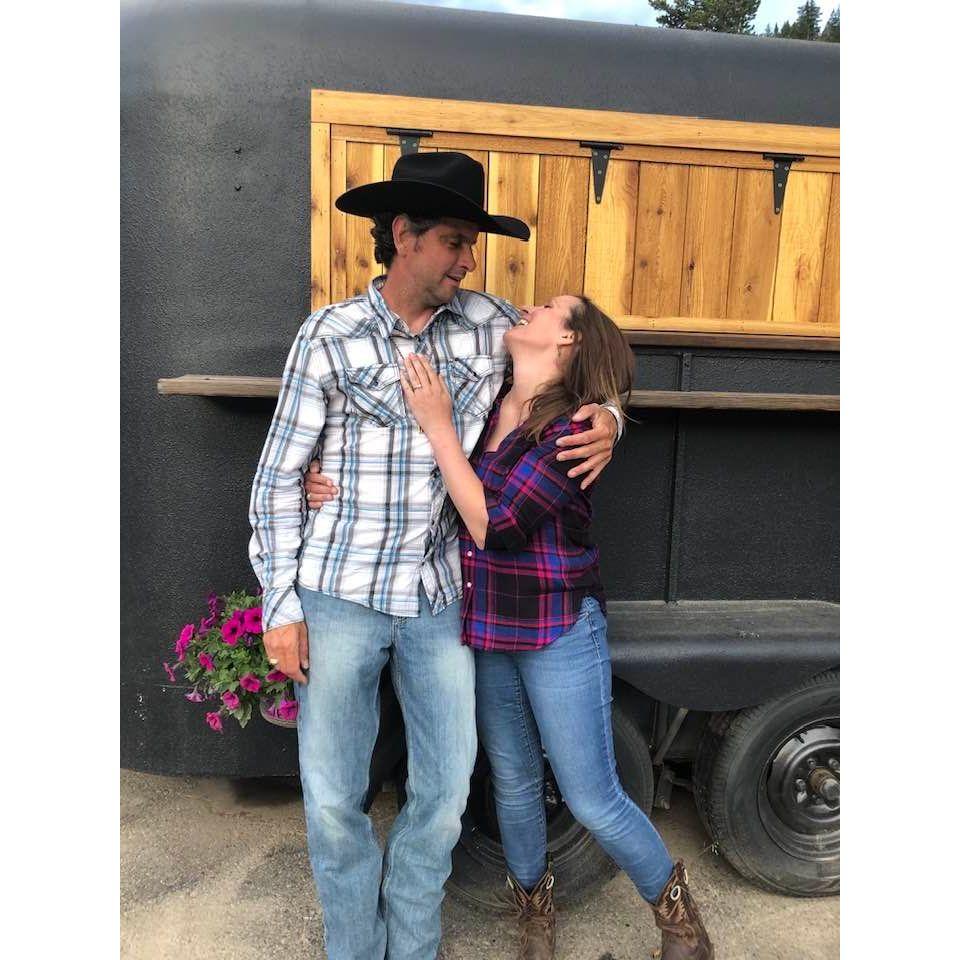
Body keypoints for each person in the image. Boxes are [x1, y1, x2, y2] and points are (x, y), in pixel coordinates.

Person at [248, 151, 623, 960]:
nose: (468, 260)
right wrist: (279, 606)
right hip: (339, 593)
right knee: (334, 800)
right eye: (454, 241)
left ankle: (412, 947)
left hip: (442, 598)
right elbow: (278, 477)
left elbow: (580, 359)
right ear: (403, 236)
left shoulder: (492, 326)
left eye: (471, 244)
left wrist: (610, 416)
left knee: (446, 793)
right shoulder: (329, 336)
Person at [395, 294, 714, 960]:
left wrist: (439, 428)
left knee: (592, 796)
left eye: (546, 308)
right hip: (488, 627)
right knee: (511, 784)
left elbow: (498, 526)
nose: (528, 307)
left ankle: (679, 920)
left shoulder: (571, 429)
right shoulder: (490, 400)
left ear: (568, 342)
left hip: (556, 630)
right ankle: (535, 917)